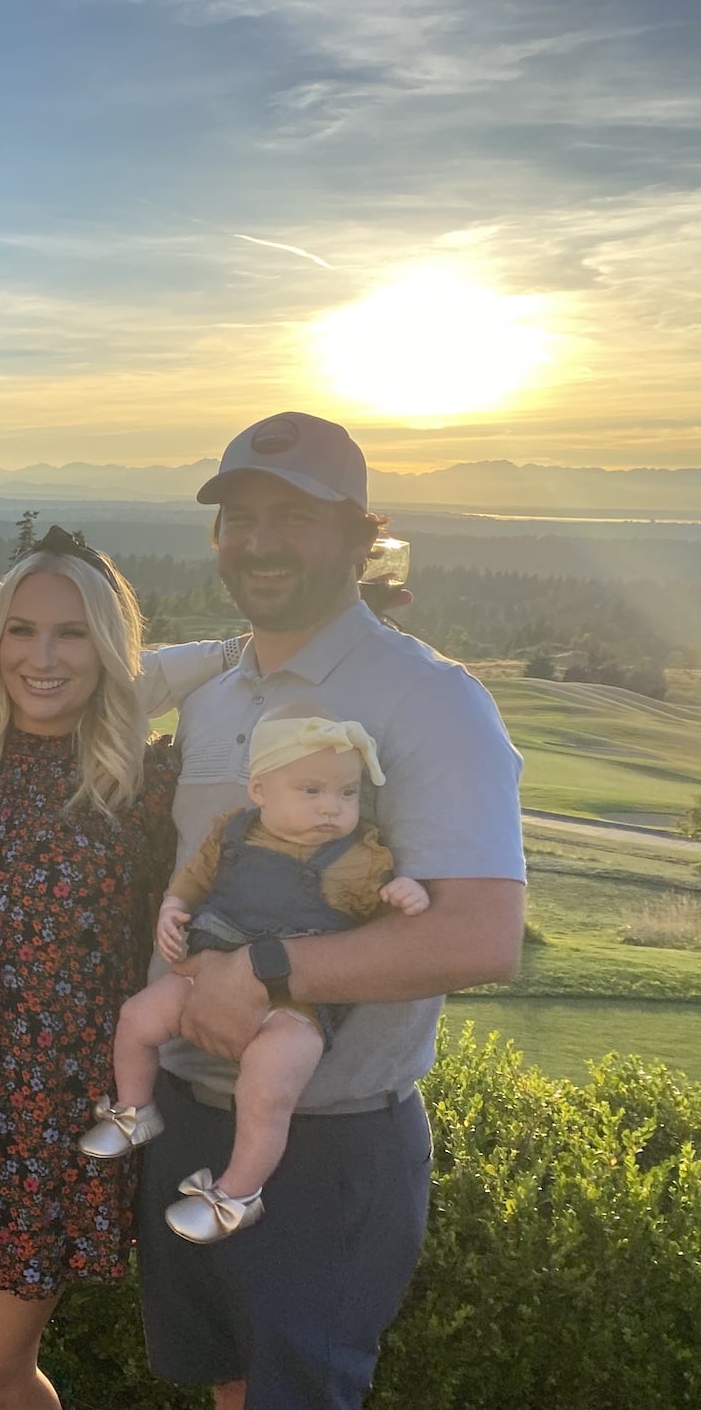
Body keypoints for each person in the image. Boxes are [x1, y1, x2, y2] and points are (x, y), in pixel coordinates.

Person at [136, 411, 525, 1410]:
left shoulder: (430, 700)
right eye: (240, 517)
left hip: (327, 1143)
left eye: (295, 517)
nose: (260, 541)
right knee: (225, 1380)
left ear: (361, 537)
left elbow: (481, 935)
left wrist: (268, 970)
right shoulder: (223, 692)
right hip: (185, 1114)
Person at [0, 527, 227, 1410]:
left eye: (73, 633)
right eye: (22, 630)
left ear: (113, 651)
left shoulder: (143, 784)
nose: (42, 657)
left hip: (57, 1122)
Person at [79, 708, 430, 1243]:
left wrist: (404, 895)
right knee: (137, 1017)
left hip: (296, 1000)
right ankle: (135, 1108)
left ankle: (238, 1194)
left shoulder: (358, 858)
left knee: (266, 1086)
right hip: (209, 964)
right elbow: (195, 878)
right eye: (311, 791)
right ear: (260, 789)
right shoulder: (233, 831)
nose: (332, 808)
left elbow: (377, 930)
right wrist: (174, 906)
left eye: (347, 793)